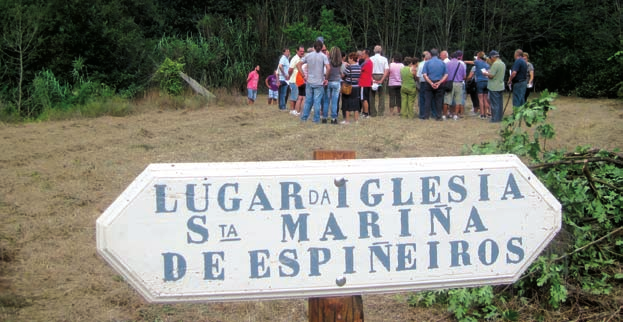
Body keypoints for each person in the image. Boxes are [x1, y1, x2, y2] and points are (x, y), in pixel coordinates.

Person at [297, 40, 330, 123]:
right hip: (319, 82)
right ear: (322, 47)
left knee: (308, 100)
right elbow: (328, 68)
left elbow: (298, 65)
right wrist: (326, 79)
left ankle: (304, 117)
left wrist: (303, 75)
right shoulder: (323, 56)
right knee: (317, 102)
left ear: (314, 47)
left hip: (309, 81)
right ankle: (316, 119)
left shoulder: (308, 55)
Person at [422, 49, 448, 120]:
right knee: (439, 100)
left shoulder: (427, 63)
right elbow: (446, 74)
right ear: (438, 54)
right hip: (439, 83)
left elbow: (424, 74)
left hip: (429, 83)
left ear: (430, 54)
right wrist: (439, 82)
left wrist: (431, 83)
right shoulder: (442, 63)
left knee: (428, 100)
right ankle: (438, 116)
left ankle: (426, 116)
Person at [483, 50, 506, 122]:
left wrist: (485, 73)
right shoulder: (502, 63)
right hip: (500, 85)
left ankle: (495, 118)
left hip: (494, 86)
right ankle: (499, 117)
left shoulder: (495, 64)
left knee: (494, 103)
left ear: (493, 57)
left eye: (490, 57)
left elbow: (491, 75)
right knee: (499, 103)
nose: (490, 59)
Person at [467, 51, 491, 119]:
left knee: (480, 99)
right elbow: (489, 73)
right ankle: (486, 114)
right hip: (486, 82)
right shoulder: (487, 64)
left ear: (479, 56)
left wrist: (464, 61)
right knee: (485, 99)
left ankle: (482, 114)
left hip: (480, 82)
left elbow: (471, 62)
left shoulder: (477, 62)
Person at [443, 51, 466, 120]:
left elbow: (444, 74)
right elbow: (464, 76)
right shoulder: (461, 64)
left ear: (450, 57)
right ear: (458, 57)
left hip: (449, 83)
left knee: (447, 100)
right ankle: (455, 115)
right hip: (459, 83)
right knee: (458, 100)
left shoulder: (447, 64)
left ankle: (444, 115)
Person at [341, 52, 361, 124]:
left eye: (349, 58)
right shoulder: (359, 67)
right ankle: (356, 120)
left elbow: (343, 75)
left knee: (347, 103)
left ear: (352, 58)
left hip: (349, 87)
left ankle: (347, 120)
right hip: (357, 87)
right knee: (356, 103)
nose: (348, 60)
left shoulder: (349, 67)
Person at [369, 45, 390, 117]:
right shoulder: (384, 59)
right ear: (381, 51)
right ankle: (380, 112)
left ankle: (372, 112)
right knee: (382, 95)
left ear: (374, 51)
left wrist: (372, 79)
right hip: (381, 75)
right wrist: (382, 80)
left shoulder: (370, 59)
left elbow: (368, 70)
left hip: (372, 75)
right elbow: (386, 70)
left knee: (371, 95)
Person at [324, 47, 342, 124]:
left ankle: (324, 117)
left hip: (329, 81)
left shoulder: (328, 61)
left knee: (326, 101)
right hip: (337, 82)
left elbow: (326, 70)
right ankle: (333, 118)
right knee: (335, 101)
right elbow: (341, 72)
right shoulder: (340, 62)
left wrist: (326, 79)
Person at [288, 45, 305, 115]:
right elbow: (290, 69)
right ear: (297, 51)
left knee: (298, 95)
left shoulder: (302, 58)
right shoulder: (295, 58)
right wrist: (290, 76)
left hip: (299, 81)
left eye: (303, 51)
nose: (302, 52)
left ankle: (296, 109)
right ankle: (292, 110)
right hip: (294, 80)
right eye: (300, 51)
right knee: (294, 95)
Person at [359, 49, 373, 118]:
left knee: (364, 99)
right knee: (364, 98)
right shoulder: (370, 62)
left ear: (367, 54)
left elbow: (360, 70)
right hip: (367, 83)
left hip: (363, 83)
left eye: (363, 54)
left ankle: (366, 113)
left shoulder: (366, 63)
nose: (362, 55)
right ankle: (364, 112)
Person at [417, 51, 431, 119]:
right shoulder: (431, 64)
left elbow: (418, 75)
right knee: (429, 99)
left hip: (422, 82)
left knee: (422, 99)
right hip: (430, 82)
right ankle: (429, 114)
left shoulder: (420, 64)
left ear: (423, 57)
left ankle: (422, 114)